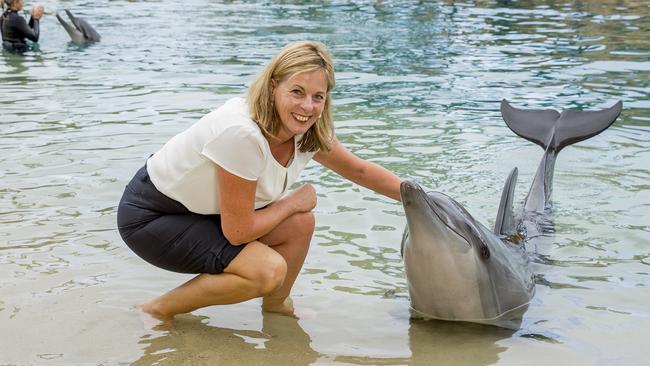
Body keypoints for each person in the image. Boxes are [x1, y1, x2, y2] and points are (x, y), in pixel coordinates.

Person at [117, 41, 403, 322]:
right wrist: (291, 203)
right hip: (152, 219)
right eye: (297, 92)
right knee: (267, 270)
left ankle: (277, 307)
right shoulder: (242, 133)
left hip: (203, 214)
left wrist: (425, 201)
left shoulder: (307, 129)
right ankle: (156, 309)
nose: (308, 106)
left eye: (318, 96)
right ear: (272, 87)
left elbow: (360, 171)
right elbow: (239, 232)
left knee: (300, 224)